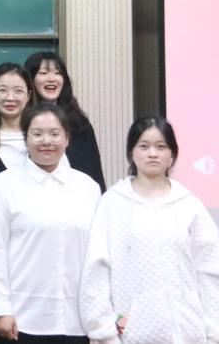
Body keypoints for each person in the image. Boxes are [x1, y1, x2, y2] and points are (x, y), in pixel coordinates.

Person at [79, 117, 219, 344]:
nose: (152, 153)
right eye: (144, 146)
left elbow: (210, 270)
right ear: (131, 153)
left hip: (190, 334)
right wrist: (104, 333)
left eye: (161, 146)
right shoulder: (113, 204)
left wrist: (214, 332)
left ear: (172, 155)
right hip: (132, 335)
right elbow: (96, 271)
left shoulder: (189, 205)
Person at [0, 104, 101, 344]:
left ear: (67, 138)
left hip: (77, 319)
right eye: (37, 134)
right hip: (22, 318)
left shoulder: (88, 188)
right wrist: (0, 308)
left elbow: (97, 254)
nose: (46, 141)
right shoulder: (3, 186)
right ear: (25, 139)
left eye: (55, 134)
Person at [23, 52, 106, 191]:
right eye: (43, 73)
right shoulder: (20, 121)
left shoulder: (80, 124)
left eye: (58, 73)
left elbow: (93, 172)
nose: (52, 79)